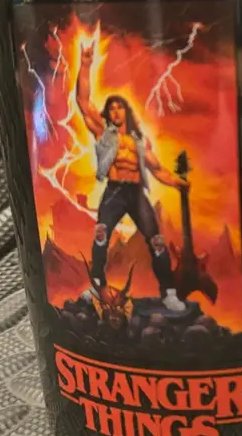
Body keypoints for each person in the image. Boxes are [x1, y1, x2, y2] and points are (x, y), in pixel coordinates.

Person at [75, 37, 187, 312]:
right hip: (114, 191)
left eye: (119, 107)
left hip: (136, 193)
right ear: (108, 113)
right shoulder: (103, 133)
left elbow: (158, 170)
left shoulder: (140, 143)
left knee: (156, 241)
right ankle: (97, 285)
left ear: (126, 111)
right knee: (101, 235)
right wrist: (86, 64)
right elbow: (83, 101)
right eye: (111, 107)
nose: (115, 111)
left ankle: (169, 292)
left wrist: (178, 183)